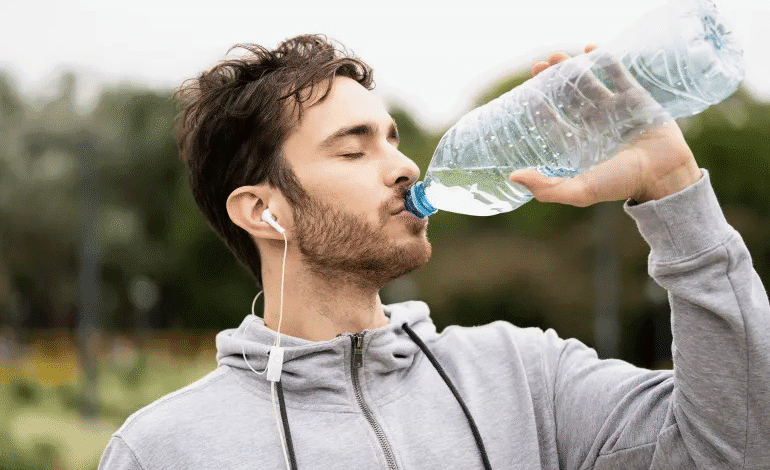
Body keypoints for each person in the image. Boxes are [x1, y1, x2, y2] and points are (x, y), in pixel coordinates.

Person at [98, 35, 770, 469]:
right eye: (354, 149)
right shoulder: (165, 449)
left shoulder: (525, 377)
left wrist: (674, 190)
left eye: (393, 139)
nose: (405, 166)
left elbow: (736, 449)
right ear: (262, 211)